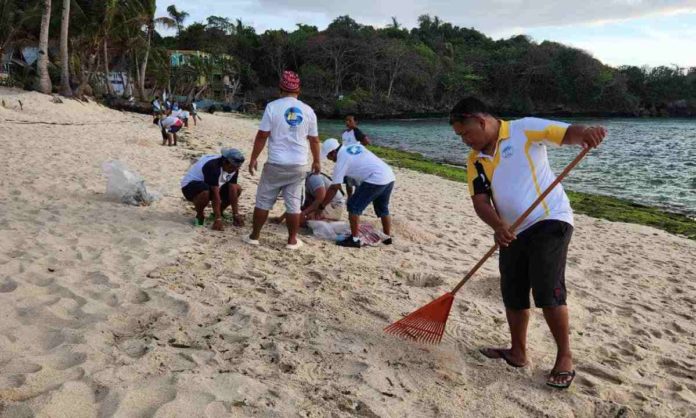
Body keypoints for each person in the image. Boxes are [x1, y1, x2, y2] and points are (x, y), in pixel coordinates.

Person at [449, 97, 606, 390]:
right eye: (460, 136)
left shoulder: (525, 129)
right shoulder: (475, 160)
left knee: (547, 287)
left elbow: (568, 133)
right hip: (511, 230)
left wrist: (587, 133)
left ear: (481, 121)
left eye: (465, 133)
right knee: (512, 289)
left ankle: (565, 356)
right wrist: (498, 226)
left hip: (550, 219)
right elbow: (480, 200)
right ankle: (518, 352)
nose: (464, 141)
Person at [245, 70, 321, 250]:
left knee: (263, 201)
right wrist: (317, 161)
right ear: (298, 90)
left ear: (280, 89)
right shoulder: (308, 110)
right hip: (298, 164)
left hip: (276, 163)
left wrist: (253, 158)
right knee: (294, 203)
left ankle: (255, 236)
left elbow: (262, 135)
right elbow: (314, 140)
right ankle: (292, 240)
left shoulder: (272, 107)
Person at [311, 138, 395, 248]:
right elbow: (356, 170)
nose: (330, 160)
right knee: (383, 208)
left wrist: (321, 206)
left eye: (329, 157)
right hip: (389, 175)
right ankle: (387, 237)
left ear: (333, 152)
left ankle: (354, 240)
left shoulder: (340, 162)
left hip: (375, 179)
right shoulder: (353, 147)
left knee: (353, 207)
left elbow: (334, 188)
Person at [180, 148, 246, 230]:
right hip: (190, 187)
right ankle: (200, 215)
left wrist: (236, 214)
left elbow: (233, 189)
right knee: (205, 191)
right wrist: (218, 220)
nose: (233, 170)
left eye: (236, 168)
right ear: (225, 162)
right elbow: (215, 194)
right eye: (232, 168)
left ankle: (218, 213)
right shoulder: (213, 166)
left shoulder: (234, 167)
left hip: (208, 185)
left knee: (237, 189)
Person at [274, 172, 345, 225]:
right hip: (323, 204)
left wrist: (304, 213)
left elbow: (321, 197)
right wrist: (281, 218)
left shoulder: (313, 178)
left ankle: (328, 220)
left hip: (334, 205)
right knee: (296, 217)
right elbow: (297, 204)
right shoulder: (303, 182)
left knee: (303, 220)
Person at [341, 115, 371, 198]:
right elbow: (344, 145)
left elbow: (367, 142)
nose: (347, 122)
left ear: (355, 122)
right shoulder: (344, 133)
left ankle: (357, 197)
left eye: (350, 121)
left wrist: (357, 149)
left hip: (357, 161)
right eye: (346, 120)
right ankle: (349, 197)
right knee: (348, 182)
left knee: (357, 182)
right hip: (347, 161)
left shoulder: (356, 131)